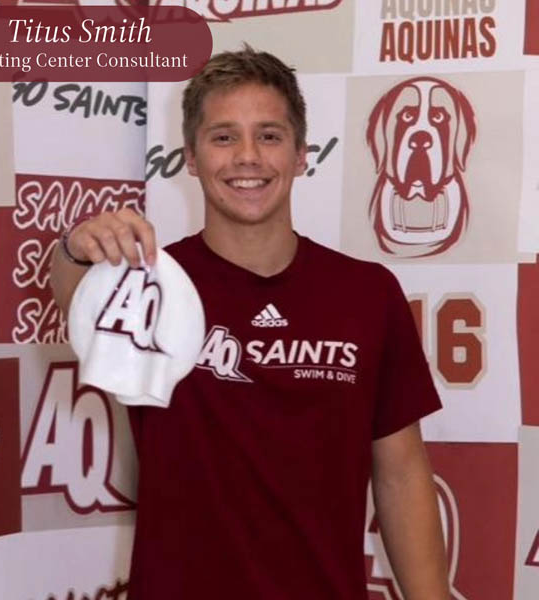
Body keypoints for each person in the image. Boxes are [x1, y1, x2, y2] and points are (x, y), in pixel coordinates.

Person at [50, 46, 450, 599]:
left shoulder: (367, 292)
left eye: (268, 135)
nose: (247, 157)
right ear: (190, 156)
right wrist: (73, 250)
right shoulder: (147, 285)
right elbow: (76, 303)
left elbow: (402, 474)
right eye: (222, 137)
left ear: (300, 153)